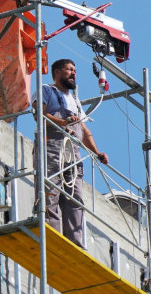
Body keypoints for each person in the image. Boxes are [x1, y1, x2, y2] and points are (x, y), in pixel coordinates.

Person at [32, 59, 109, 248]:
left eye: (75, 70)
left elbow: (83, 130)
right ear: (57, 72)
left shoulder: (75, 101)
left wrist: (97, 152)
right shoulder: (46, 91)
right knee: (50, 192)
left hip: (72, 153)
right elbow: (39, 115)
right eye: (70, 69)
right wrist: (64, 123)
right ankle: (51, 237)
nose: (74, 73)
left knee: (75, 199)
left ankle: (75, 244)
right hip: (52, 148)